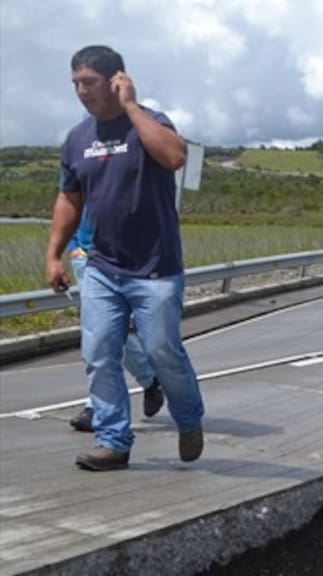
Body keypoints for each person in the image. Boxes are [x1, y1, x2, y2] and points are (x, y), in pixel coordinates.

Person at [45, 45, 204, 471]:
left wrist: (131, 107)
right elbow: (68, 197)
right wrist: (54, 254)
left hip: (155, 268)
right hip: (102, 267)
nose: (81, 91)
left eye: (90, 82)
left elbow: (174, 157)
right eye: (75, 83)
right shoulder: (78, 139)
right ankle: (113, 440)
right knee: (98, 352)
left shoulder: (151, 123)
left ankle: (189, 420)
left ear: (118, 79)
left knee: (161, 350)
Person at [67, 208, 164, 432]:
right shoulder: (83, 172)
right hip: (86, 259)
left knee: (103, 333)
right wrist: (73, 247)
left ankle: (97, 408)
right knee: (102, 332)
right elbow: (71, 203)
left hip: (121, 261)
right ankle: (150, 380)